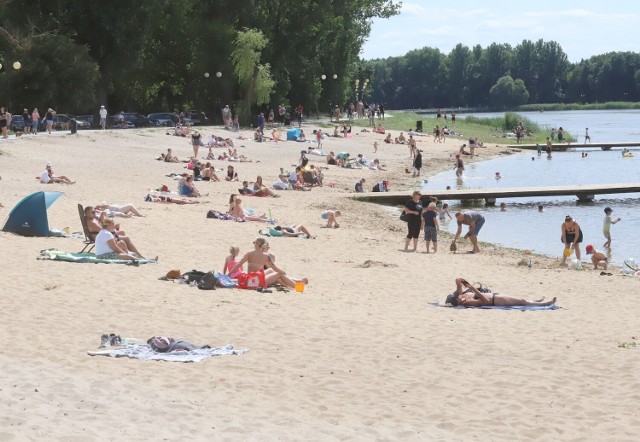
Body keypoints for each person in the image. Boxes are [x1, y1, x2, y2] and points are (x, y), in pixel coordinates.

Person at [226, 238, 308, 288]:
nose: (254, 244)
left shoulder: (249, 253)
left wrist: (229, 274)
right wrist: (282, 272)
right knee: (279, 274)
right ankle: (299, 287)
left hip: (249, 279)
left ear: (257, 245)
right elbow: (274, 267)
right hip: (257, 280)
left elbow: (238, 265)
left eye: (254, 243)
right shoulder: (266, 255)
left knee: (272, 272)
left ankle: (296, 282)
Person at [445, 278, 556, 307]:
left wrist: (459, 282)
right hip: (496, 300)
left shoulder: (462, 296)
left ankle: (536, 301)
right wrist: (473, 288)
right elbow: (485, 300)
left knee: (520, 299)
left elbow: (458, 289)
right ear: (457, 301)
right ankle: (545, 304)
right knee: (521, 301)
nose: (457, 295)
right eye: (456, 297)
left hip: (496, 296)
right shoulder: (467, 302)